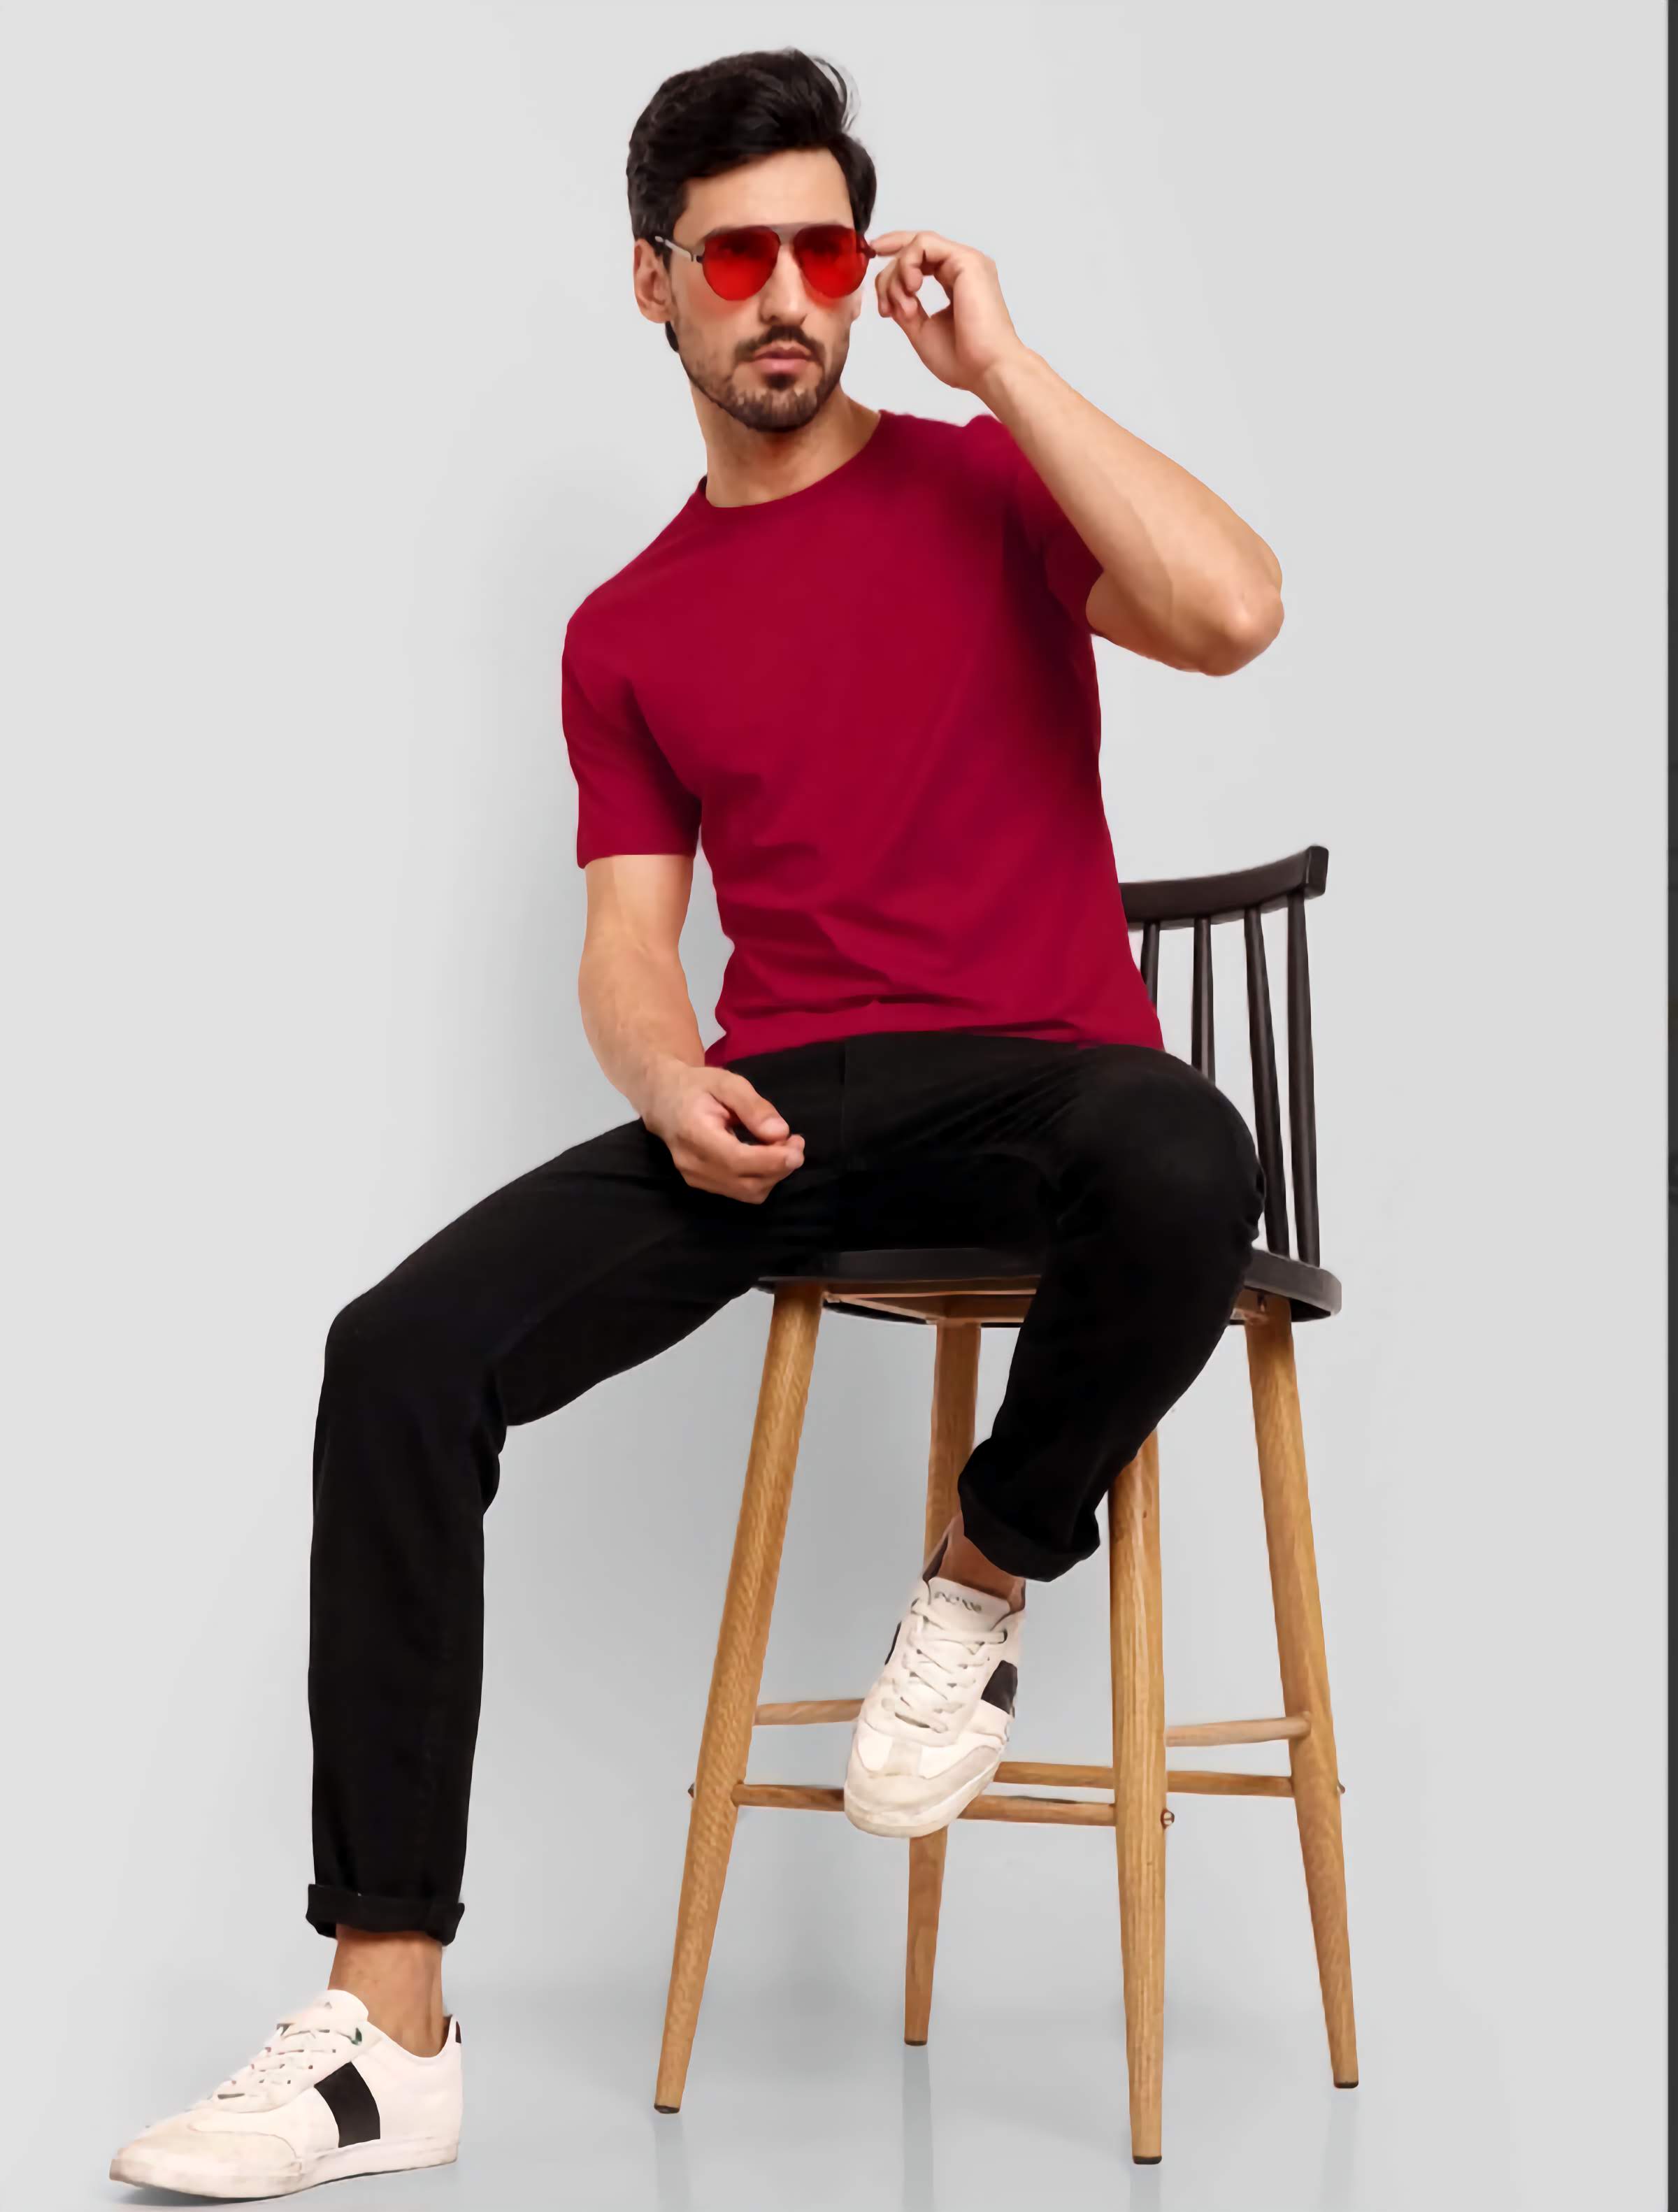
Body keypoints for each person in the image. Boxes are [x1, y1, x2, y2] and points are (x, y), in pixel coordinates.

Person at [110, 43, 1283, 2200]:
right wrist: (664, 1075)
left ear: (868, 266)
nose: (784, 293)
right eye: (734, 254)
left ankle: (984, 1569)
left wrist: (1006, 365)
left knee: (1188, 1158)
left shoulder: (985, 485)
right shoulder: (628, 630)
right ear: (652, 282)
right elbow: (631, 944)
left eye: (821, 247)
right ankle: (387, 2023)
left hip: (1044, 1079)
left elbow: (1230, 610)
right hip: (786, 1100)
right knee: (397, 1354)